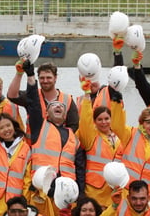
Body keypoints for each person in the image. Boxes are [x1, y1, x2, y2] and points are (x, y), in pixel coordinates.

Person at [22, 61, 83, 191]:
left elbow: (80, 168)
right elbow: (33, 103)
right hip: (42, 186)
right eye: (53, 106)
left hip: (66, 190)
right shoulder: (40, 128)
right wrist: (30, 75)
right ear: (47, 114)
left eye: (61, 106)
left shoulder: (73, 138)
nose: (58, 106)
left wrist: (81, 193)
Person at [77, 79, 125, 208]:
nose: (104, 122)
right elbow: (85, 120)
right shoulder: (91, 137)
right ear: (95, 122)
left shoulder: (118, 138)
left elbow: (120, 121)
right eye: (99, 119)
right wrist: (87, 95)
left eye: (106, 119)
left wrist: (117, 102)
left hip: (113, 193)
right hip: (94, 193)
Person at [8, 61, 79, 132]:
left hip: (57, 142)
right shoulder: (32, 95)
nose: (45, 81)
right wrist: (19, 73)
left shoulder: (67, 100)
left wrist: (59, 137)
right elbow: (12, 96)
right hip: (33, 142)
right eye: (42, 78)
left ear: (55, 78)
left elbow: (74, 126)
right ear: (38, 78)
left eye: (49, 77)